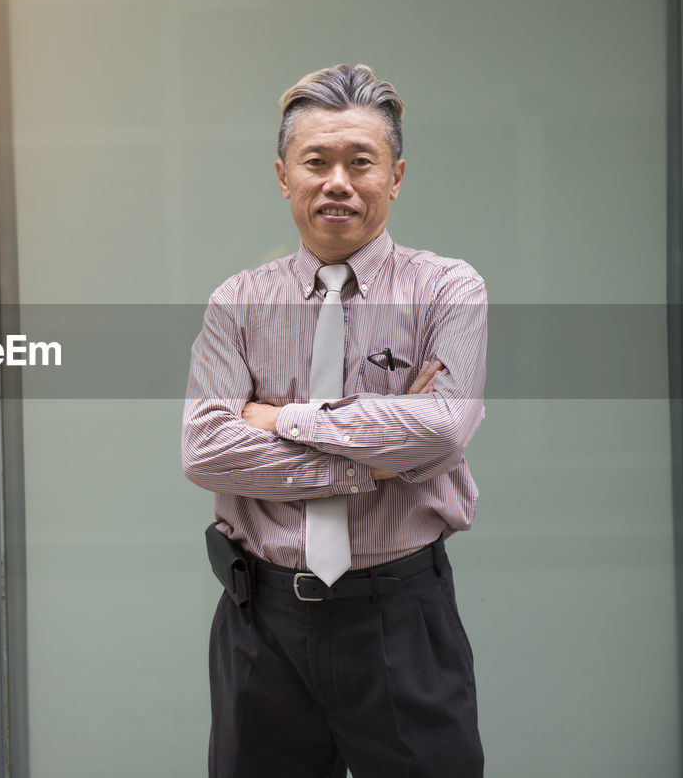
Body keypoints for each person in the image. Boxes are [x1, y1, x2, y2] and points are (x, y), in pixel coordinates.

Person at [182, 64, 488, 778]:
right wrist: (373, 458)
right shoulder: (239, 301)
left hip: (399, 616)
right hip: (262, 623)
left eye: (362, 162)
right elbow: (204, 450)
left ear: (397, 175)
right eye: (316, 162)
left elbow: (442, 428)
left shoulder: (447, 288)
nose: (338, 181)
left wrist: (279, 417)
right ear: (284, 175)